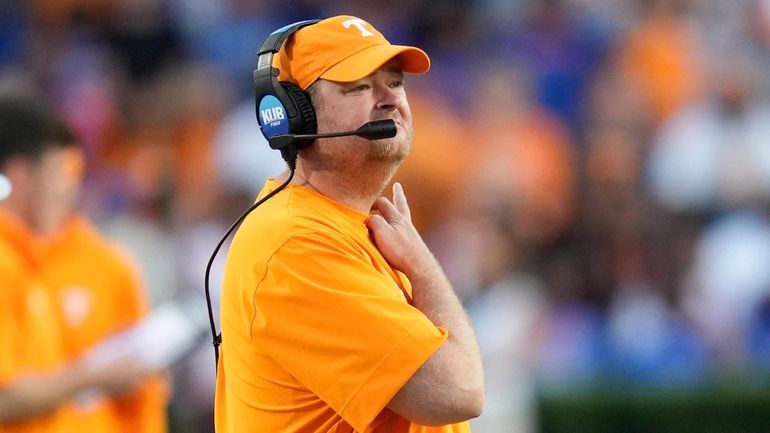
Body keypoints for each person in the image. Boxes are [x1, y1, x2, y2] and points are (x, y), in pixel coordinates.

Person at [214, 15, 484, 433]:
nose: (389, 99)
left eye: (395, 83)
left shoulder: (352, 224)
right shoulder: (296, 244)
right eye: (358, 86)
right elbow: (456, 392)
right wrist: (423, 266)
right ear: (293, 116)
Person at [0, 96, 168, 432]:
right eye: (58, 173)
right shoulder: (12, 262)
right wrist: (93, 376)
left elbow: (144, 393)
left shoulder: (106, 263)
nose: (69, 189)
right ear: (20, 175)